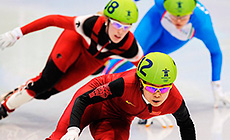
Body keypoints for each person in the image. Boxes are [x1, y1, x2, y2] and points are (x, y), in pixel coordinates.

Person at [0, 0, 144, 120]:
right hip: (74, 41)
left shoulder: (130, 48)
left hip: (93, 61)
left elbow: (145, 74)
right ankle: (4, 108)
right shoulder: (89, 24)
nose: (120, 31)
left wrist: (149, 103)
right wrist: (17, 33)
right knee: (46, 81)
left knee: (44, 93)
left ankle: (13, 95)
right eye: (117, 25)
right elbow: (52, 20)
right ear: (106, 20)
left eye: (126, 27)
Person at [101, 0, 229, 125]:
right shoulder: (160, 3)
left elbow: (216, 52)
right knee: (128, 56)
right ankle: (98, 90)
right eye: (174, 16)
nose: (178, 21)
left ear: (191, 12)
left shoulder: (202, 24)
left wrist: (216, 87)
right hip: (156, 20)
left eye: (183, 17)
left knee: (150, 66)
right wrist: (115, 7)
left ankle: (141, 104)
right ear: (167, 8)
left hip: (172, 38)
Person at [45, 52, 196, 140]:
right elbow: (83, 99)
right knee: (60, 136)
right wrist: (73, 129)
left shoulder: (174, 100)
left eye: (164, 89)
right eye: (152, 87)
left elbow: (186, 125)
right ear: (141, 83)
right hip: (94, 101)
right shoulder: (126, 84)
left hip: (118, 118)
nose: (158, 94)